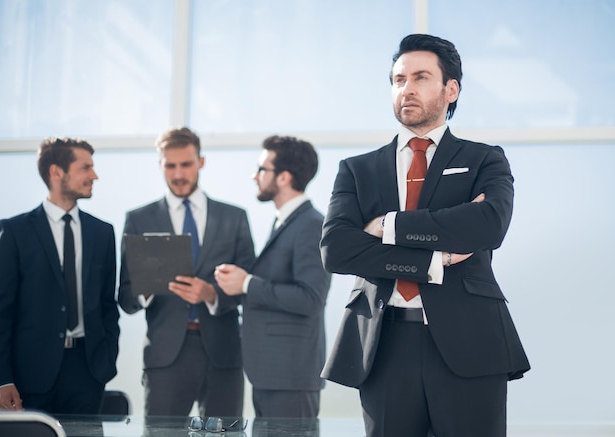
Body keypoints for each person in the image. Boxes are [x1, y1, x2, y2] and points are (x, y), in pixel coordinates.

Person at [320, 34, 530, 437]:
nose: (407, 89)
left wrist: (390, 226)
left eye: (420, 77)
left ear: (451, 89)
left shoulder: (484, 159)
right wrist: (433, 261)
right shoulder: (357, 169)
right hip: (382, 343)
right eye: (399, 80)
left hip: (470, 340)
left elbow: (488, 225)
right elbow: (337, 250)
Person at [118, 127, 255, 417]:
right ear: (160, 165)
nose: (178, 174)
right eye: (170, 166)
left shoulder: (234, 218)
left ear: (200, 162)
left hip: (223, 353)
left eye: (186, 164)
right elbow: (126, 296)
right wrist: (146, 286)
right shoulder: (139, 219)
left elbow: (249, 288)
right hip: (166, 355)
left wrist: (211, 294)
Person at [0, 137, 119, 414]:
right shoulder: (15, 232)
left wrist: (107, 358)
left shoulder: (103, 233)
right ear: (56, 172)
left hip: (88, 371)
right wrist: (0, 379)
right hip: (30, 372)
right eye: (85, 168)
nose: (94, 175)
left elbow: (108, 304)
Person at [215, 135, 331, 418]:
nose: (254, 176)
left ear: (284, 177)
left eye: (262, 169)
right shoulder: (286, 221)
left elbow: (311, 299)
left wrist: (246, 283)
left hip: (290, 374)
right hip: (273, 372)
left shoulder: (311, 225)